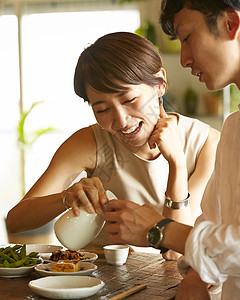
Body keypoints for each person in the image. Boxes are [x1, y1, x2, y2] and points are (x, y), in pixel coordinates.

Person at [6, 32, 219, 260]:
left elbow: (175, 253)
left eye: (129, 100)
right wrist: (67, 197)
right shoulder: (90, 142)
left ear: (160, 84)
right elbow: (16, 220)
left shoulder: (206, 142)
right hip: (103, 284)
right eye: (102, 109)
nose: (121, 120)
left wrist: (176, 163)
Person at [102, 2, 240, 299]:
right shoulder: (233, 129)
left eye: (187, 37)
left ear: (231, 23)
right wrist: (196, 276)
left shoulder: (208, 136)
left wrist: (159, 228)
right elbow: (212, 225)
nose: (185, 59)